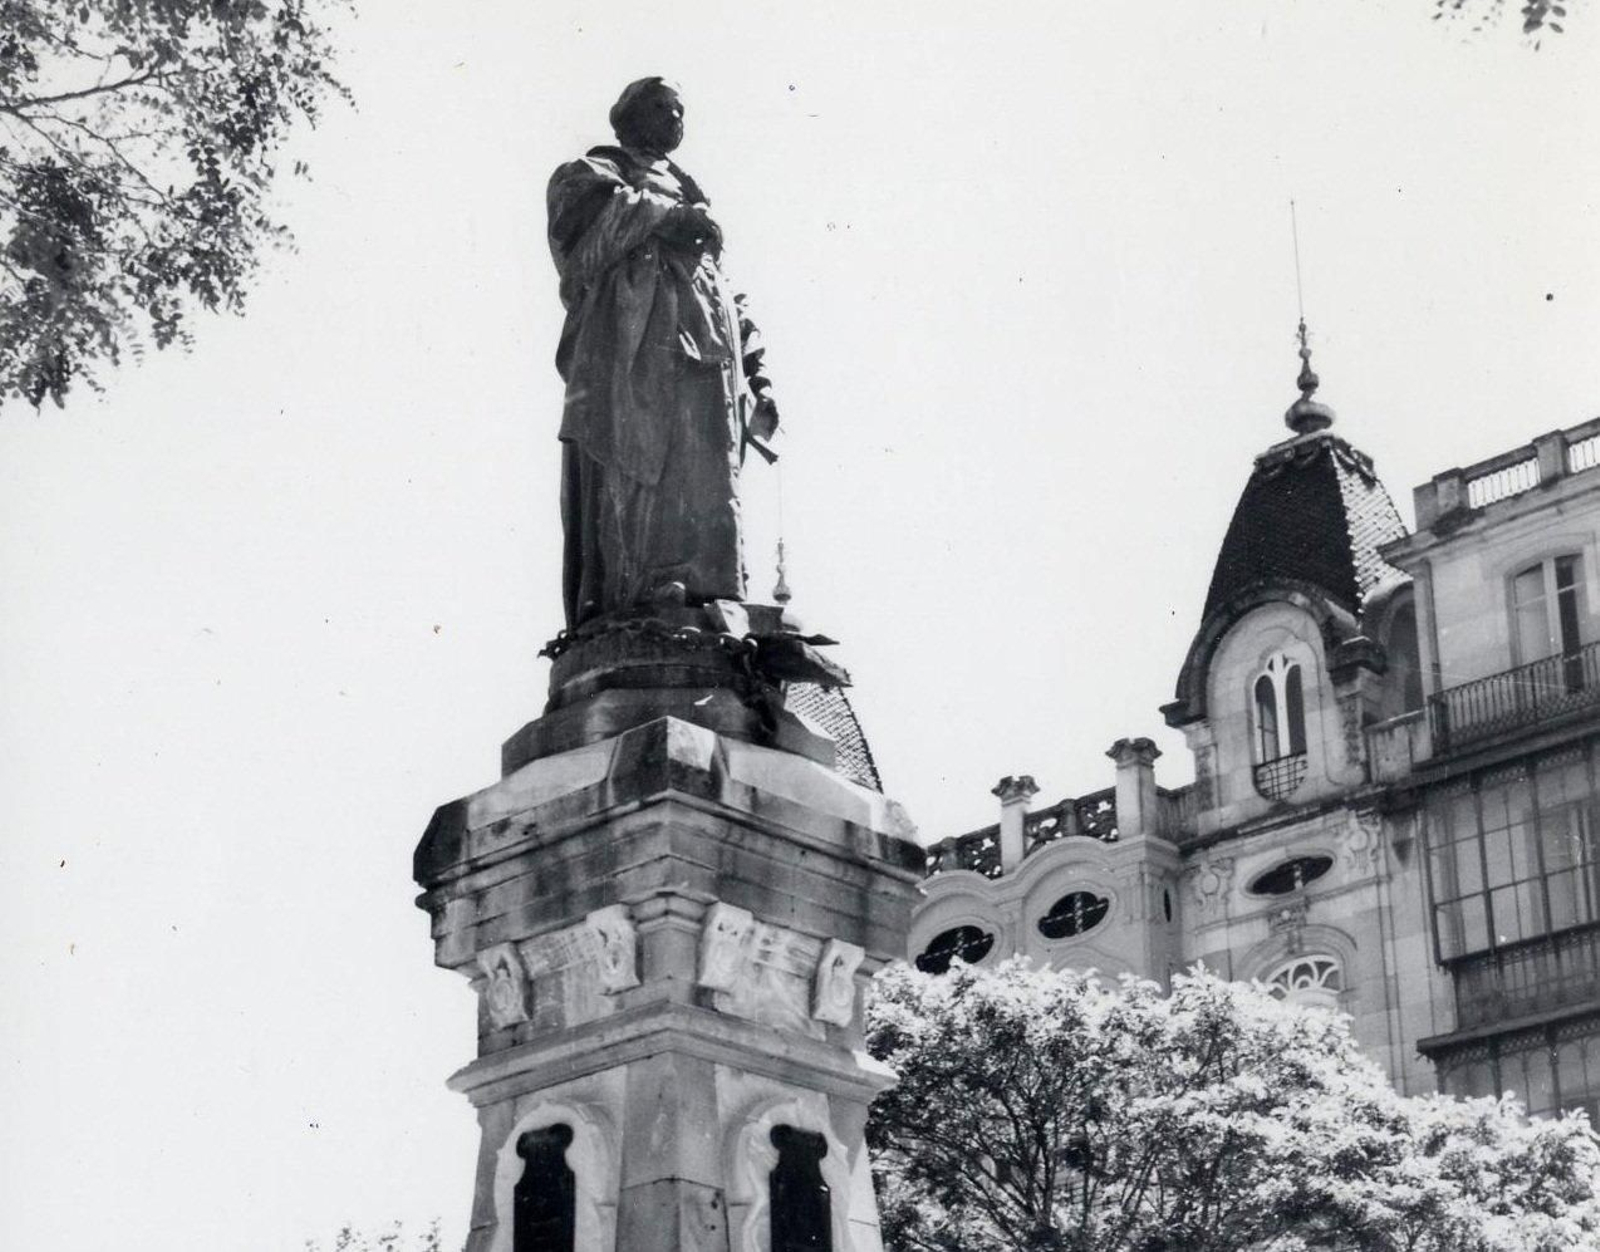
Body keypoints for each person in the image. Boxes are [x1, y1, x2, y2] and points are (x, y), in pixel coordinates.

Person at [547, 77, 780, 629]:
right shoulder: (595, 172)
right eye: (663, 106)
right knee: (642, 470)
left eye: (682, 109)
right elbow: (578, 238)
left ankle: (706, 598)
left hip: (708, 361)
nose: (677, 116)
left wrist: (759, 375)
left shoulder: (697, 199)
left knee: (705, 480)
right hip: (638, 353)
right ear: (626, 116)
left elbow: (728, 292)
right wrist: (667, 217)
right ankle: (640, 593)